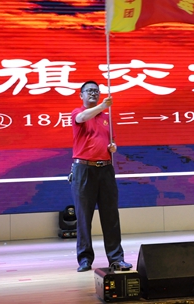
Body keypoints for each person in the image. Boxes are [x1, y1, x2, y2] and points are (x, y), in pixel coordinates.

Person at [70, 81, 132, 272]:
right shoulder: (78, 113)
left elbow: (111, 141)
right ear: (81, 95)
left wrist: (112, 147)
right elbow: (81, 118)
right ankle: (85, 259)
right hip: (83, 170)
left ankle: (116, 258)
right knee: (83, 216)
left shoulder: (107, 118)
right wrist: (103, 106)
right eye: (89, 91)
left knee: (111, 215)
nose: (93, 93)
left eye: (96, 91)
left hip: (105, 169)